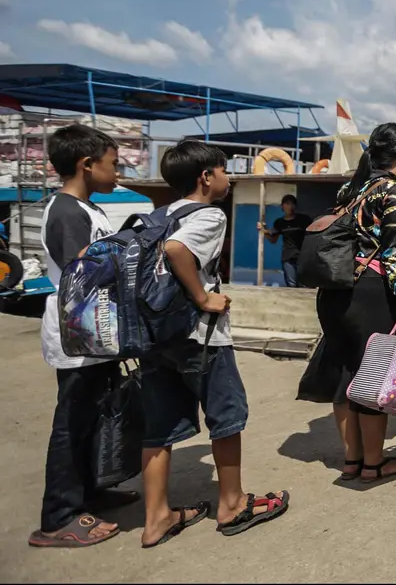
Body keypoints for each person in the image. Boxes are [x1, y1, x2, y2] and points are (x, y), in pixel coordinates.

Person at [140, 140, 289, 547]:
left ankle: (156, 518)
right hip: (199, 336)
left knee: (158, 429)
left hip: (155, 337)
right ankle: (232, 503)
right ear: (206, 177)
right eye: (224, 171)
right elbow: (177, 250)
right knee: (227, 417)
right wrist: (204, 297)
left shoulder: (157, 215)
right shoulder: (208, 215)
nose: (229, 178)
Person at [28, 125, 131, 549]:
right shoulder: (68, 211)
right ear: (86, 165)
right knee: (72, 423)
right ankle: (59, 517)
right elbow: (80, 274)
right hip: (80, 331)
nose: (118, 171)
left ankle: (90, 492)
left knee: (94, 416)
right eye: (113, 163)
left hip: (98, 331)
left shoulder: (88, 209)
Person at [313, 123, 396, 484]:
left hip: (334, 291)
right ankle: (374, 464)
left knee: (347, 373)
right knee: (374, 377)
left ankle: (353, 459)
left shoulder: (351, 188)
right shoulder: (394, 193)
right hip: (370, 292)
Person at [257, 194, 312, 287]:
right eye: (287, 204)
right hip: (288, 257)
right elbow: (273, 240)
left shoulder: (304, 219)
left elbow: (312, 235)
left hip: (303, 257)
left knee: (304, 285)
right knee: (291, 285)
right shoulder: (280, 222)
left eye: (292, 204)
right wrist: (263, 230)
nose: (290, 206)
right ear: (282, 206)